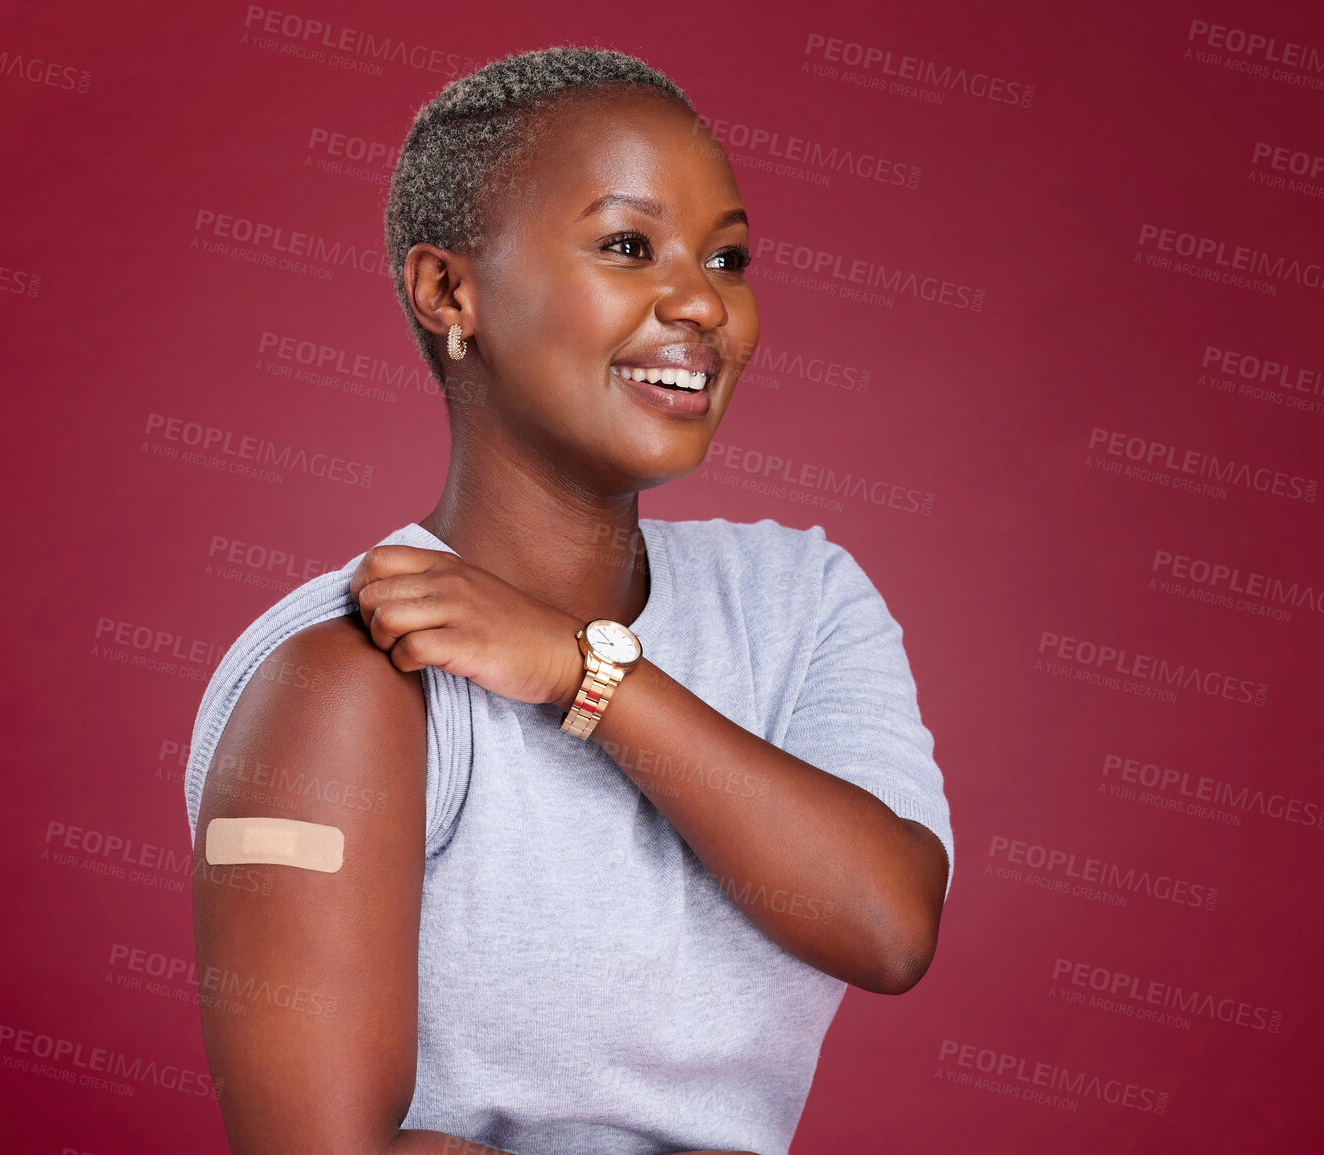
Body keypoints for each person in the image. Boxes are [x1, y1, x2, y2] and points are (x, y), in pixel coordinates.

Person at [184, 45, 953, 1155]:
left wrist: (586, 672)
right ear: (451, 291)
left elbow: (886, 926)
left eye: (728, 258)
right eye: (629, 246)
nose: (702, 302)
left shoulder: (800, 597)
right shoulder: (345, 682)